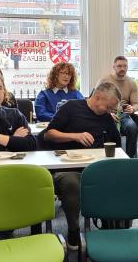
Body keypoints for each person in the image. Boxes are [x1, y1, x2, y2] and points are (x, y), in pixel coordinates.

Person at [43, 82, 122, 248]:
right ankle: (73, 229)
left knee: (119, 176)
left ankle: (110, 221)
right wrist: (75, 136)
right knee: (71, 182)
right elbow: (49, 134)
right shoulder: (71, 108)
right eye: (107, 107)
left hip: (95, 165)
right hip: (67, 166)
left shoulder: (106, 118)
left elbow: (116, 144)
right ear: (98, 97)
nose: (109, 111)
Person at [100, 55, 138, 158]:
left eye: (125, 66)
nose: (122, 68)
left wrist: (133, 108)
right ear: (114, 67)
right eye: (119, 66)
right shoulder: (105, 80)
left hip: (123, 114)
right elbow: (96, 100)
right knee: (111, 129)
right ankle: (114, 158)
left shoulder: (131, 82)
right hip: (107, 113)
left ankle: (130, 158)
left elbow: (136, 103)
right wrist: (107, 113)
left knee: (133, 128)